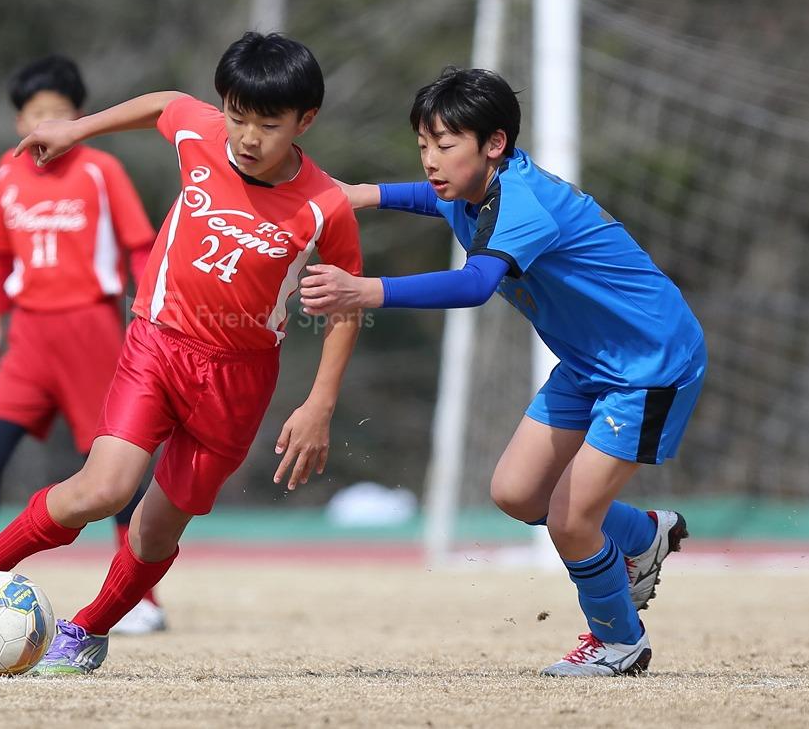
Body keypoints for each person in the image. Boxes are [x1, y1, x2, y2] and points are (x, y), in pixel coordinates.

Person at [0, 32, 364, 675]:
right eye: (237, 116)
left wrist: (320, 402)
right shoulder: (202, 135)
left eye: (269, 124)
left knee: (156, 530)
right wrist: (77, 130)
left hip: (238, 380)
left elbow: (347, 301)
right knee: (103, 487)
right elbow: (164, 104)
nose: (248, 137)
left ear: (304, 121)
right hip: (157, 343)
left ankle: (86, 631)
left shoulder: (326, 206)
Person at [301, 66, 704, 677]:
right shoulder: (473, 189)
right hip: (589, 363)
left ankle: (620, 643)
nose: (431, 161)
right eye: (423, 146)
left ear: (494, 145)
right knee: (516, 493)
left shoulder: (523, 207)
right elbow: (432, 199)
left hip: (649, 363)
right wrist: (368, 193)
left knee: (571, 522)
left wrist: (365, 290)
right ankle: (643, 536)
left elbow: (474, 285)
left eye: (445, 145)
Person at [0, 54, 167, 635]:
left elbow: (141, 248)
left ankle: (143, 600)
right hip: (29, 339)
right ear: (20, 124)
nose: (46, 127)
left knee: (115, 469)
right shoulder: (5, 174)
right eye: (35, 116)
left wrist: (151, 312)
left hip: (90, 330)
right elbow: (2, 260)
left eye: (58, 115)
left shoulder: (100, 171)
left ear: (79, 119)